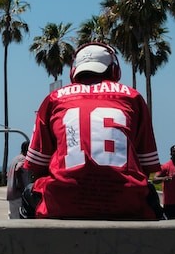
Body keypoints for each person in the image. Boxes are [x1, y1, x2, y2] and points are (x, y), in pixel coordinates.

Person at [21, 42, 161, 220]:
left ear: (74, 71)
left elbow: (37, 167)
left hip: (63, 200)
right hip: (126, 201)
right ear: (114, 69)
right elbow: (146, 165)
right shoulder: (132, 97)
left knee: (28, 192)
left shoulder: (54, 99)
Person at [6, 141, 31, 219]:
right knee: (20, 219)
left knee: (12, 217)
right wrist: (22, 186)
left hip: (11, 193)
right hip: (19, 194)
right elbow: (18, 169)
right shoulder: (23, 159)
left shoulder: (14, 159)